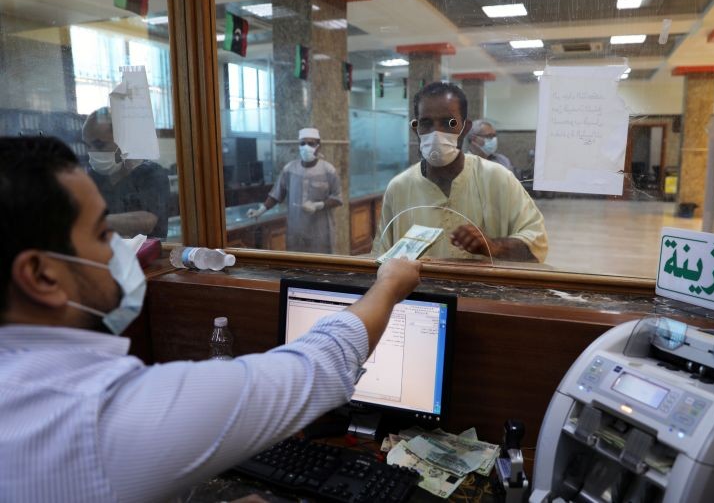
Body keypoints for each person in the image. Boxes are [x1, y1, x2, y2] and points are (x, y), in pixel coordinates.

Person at [0, 136, 421, 502]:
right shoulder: (98, 415)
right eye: (100, 233)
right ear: (41, 275)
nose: (120, 248)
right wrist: (389, 286)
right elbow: (318, 366)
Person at [373, 82, 548, 262]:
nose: (436, 133)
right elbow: (382, 256)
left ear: (465, 128)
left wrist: (493, 246)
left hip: (484, 289)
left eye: (449, 123)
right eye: (426, 123)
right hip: (419, 290)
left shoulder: (498, 178)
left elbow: (537, 243)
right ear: (416, 128)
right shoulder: (399, 188)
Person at [248, 127, 342, 253]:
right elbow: (276, 194)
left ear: (318, 146)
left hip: (320, 231)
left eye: (311, 143)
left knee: (321, 266)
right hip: (296, 230)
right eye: (302, 143)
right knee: (297, 265)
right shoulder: (290, 169)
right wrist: (261, 210)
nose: (306, 147)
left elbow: (337, 198)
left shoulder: (328, 170)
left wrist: (318, 205)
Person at [82, 107, 170, 239]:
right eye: (88, 146)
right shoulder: (94, 177)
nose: (92, 152)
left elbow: (147, 221)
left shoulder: (150, 173)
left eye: (99, 145)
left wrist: (93, 222)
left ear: (123, 141)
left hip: (146, 256)